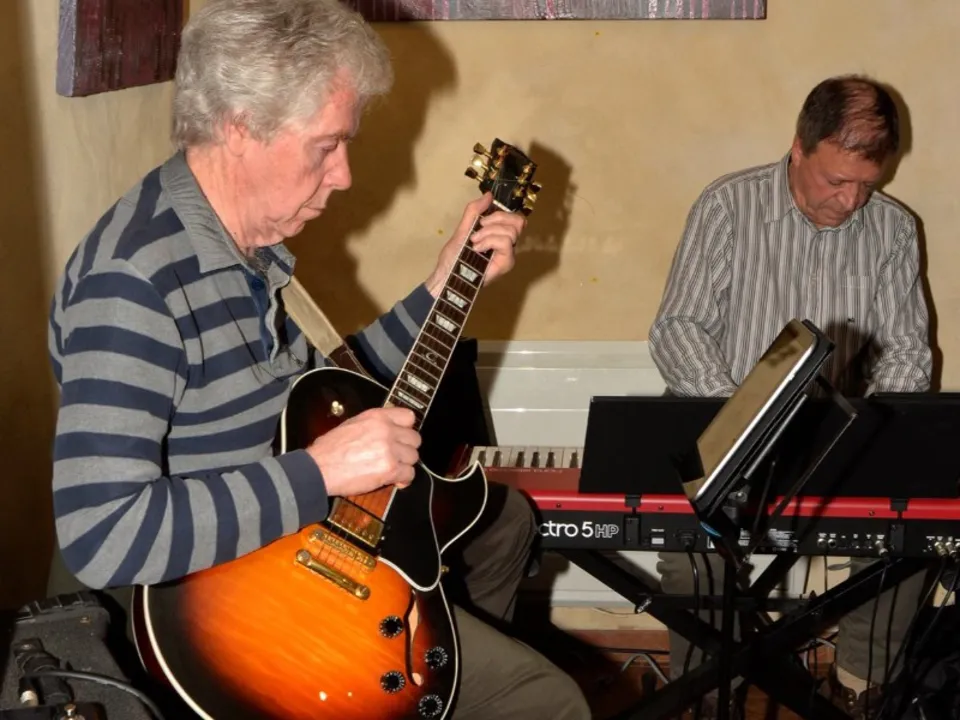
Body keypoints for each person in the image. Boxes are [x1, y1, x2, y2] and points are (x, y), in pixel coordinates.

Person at [46, 1, 591, 718]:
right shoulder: (135, 282)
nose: (344, 175)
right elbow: (101, 534)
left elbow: (333, 391)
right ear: (240, 125)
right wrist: (322, 472)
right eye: (326, 146)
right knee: (546, 700)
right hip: (233, 597)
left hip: (290, 530)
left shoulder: (247, 247)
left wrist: (442, 286)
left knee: (502, 524)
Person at [649, 75, 932, 719]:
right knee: (695, 566)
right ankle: (705, 696)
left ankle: (857, 689)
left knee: (914, 541)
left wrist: (877, 438)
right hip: (724, 430)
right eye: (837, 180)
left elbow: (908, 353)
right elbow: (678, 328)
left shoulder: (893, 230)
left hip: (837, 443)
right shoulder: (727, 205)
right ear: (799, 149)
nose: (851, 201)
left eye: (867, 184)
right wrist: (742, 423)